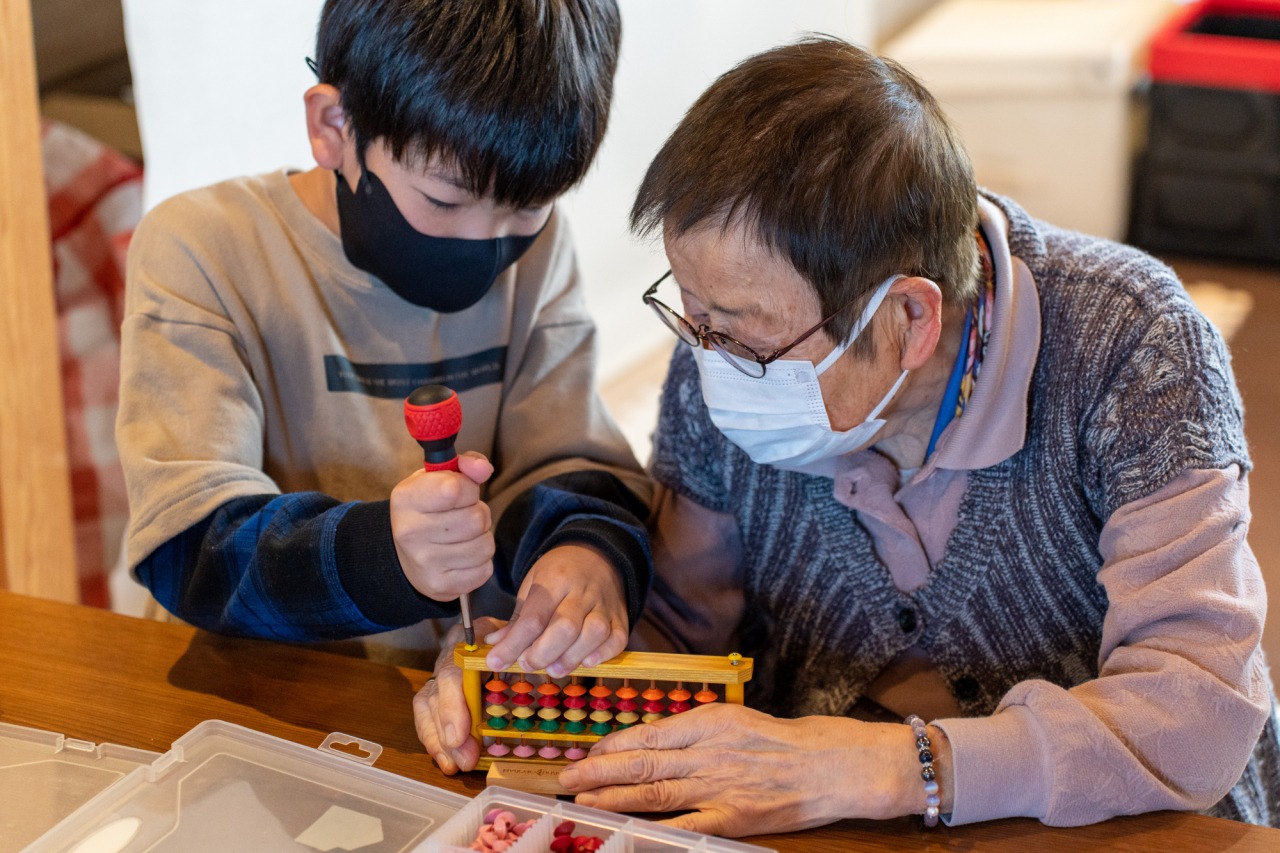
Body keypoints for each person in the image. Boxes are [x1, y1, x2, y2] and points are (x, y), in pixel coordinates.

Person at [414, 36, 1279, 834]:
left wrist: (901, 768)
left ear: (909, 316)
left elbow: (1196, 705)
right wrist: (526, 672)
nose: (710, 357)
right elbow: (683, 625)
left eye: (745, 329)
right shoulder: (718, 355)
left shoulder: (1132, 344)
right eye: (694, 312)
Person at [116, 0, 651, 684]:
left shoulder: (542, 253)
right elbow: (191, 546)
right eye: (446, 200)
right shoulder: (205, 249)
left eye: (525, 204)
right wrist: (386, 555)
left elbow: (570, 461)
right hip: (263, 700)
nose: (486, 242)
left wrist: (586, 556)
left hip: (466, 696)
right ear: (334, 126)